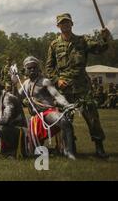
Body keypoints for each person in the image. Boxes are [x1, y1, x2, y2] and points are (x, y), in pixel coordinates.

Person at [46, 13, 111, 159]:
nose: (65, 25)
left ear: (72, 24)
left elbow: (100, 49)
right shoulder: (54, 45)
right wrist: (57, 80)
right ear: (58, 26)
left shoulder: (82, 41)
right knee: (65, 120)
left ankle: (99, 148)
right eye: (62, 23)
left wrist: (105, 37)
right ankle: (70, 147)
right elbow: (49, 68)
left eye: (67, 22)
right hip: (65, 89)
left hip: (82, 88)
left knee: (92, 118)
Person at [15, 56, 76, 160]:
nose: (32, 70)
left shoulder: (44, 81)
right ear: (25, 70)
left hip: (48, 112)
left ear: (38, 68)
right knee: (34, 152)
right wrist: (14, 82)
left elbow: (57, 95)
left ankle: (69, 151)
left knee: (64, 121)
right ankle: (47, 151)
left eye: (34, 67)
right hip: (35, 118)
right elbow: (16, 97)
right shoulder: (25, 83)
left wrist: (66, 104)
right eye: (29, 68)